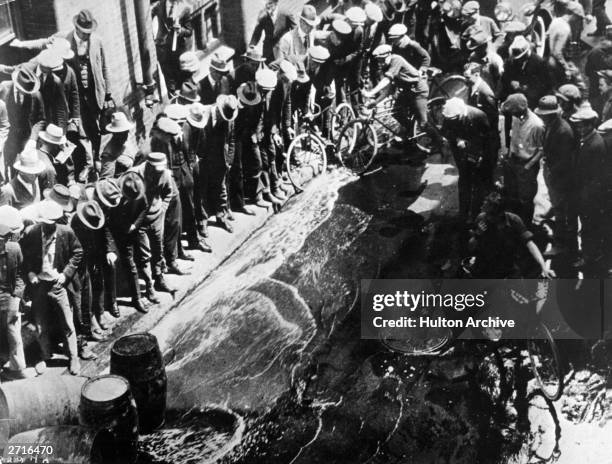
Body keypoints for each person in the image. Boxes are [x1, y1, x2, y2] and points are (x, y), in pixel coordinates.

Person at [21, 199, 83, 375]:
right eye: (45, 224)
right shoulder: (32, 233)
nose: (49, 227)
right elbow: (24, 256)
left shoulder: (66, 232)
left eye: (52, 224)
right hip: (39, 285)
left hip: (58, 285)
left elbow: (78, 252)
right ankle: (45, 354)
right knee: (40, 323)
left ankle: (74, 357)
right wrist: (31, 273)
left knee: (68, 323)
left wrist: (66, 274)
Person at [470, 191, 556, 279]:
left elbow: (530, 244)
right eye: (487, 214)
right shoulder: (481, 218)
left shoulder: (514, 220)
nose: (488, 218)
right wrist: (478, 234)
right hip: (485, 268)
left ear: (500, 215)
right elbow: (471, 246)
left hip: (507, 266)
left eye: (491, 216)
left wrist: (544, 267)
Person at [570, 105, 612, 277]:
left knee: (589, 227)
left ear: (589, 125)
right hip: (587, 194)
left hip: (590, 197)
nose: (578, 128)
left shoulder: (595, 145)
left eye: (581, 125)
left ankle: (589, 257)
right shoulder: (590, 140)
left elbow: (595, 178)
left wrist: (585, 198)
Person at [534, 95, 578, 256]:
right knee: (559, 210)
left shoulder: (563, 131)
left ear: (550, 114)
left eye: (543, 114)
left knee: (564, 213)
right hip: (555, 176)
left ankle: (565, 246)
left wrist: (552, 173)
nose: (541, 117)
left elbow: (566, 160)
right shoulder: (553, 125)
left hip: (562, 179)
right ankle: (562, 240)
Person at [130, 152, 175, 302]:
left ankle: (159, 278)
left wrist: (163, 208)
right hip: (140, 221)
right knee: (145, 255)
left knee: (158, 248)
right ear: (148, 165)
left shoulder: (165, 174)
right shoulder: (135, 174)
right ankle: (149, 286)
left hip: (157, 217)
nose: (159, 172)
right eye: (156, 169)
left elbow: (169, 193)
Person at [441, 97, 493, 222]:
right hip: (461, 154)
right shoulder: (450, 115)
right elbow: (445, 131)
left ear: (460, 114)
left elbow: (488, 139)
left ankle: (476, 214)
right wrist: (457, 139)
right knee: (464, 181)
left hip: (478, 154)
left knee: (478, 183)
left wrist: (482, 156)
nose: (450, 121)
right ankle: (463, 213)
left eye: (453, 119)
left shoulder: (478, 116)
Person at [0, 206, 35, 379]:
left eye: (3, 240)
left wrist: (16, 297)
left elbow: (21, 275)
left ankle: (18, 367)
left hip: (10, 297)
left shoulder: (14, 249)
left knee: (14, 332)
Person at [363, 44, 428, 133]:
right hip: (407, 91)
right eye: (379, 61)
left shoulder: (396, 59)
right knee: (397, 113)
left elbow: (386, 80)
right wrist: (376, 102)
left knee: (423, 123)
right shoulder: (386, 67)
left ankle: (440, 141)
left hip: (418, 91)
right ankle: (411, 133)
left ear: (389, 55)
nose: (381, 63)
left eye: (382, 60)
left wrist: (371, 93)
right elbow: (388, 90)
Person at [108, 172, 149, 314]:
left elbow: (144, 208)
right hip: (111, 234)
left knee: (130, 264)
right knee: (110, 267)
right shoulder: (111, 192)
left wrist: (134, 225)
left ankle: (136, 298)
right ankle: (112, 302)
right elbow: (106, 223)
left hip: (128, 232)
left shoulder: (139, 191)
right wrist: (109, 248)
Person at [501, 93, 545, 225]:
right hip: (513, 161)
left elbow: (542, 149)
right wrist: (508, 155)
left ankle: (525, 227)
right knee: (512, 196)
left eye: (513, 111)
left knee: (525, 200)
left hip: (527, 166)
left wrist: (528, 166)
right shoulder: (515, 117)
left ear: (521, 109)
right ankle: (513, 224)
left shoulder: (536, 125)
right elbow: (513, 136)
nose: (511, 114)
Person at [0, 67, 45, 179]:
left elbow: (41, 119)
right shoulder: (4, 87)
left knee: (22, 169)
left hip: (26, 138)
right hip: (7, 137)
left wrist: (33, 139)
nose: (24, 94)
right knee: (6, 167)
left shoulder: (36, 95)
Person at [202, 95, 239, 232]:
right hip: (205, 158)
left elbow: (232, 140)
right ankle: (203, 221)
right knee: (203, 191)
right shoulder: (205, 114)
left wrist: (229, 160)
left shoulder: (230, 119)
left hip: (220, 158)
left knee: (221, 189)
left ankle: (221, 216)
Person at [182, 103, 214, 251]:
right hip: (186, 166)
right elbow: (186, 150)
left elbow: (201, 144)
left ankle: (201, 222)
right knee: (190, 201)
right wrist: (191, 164)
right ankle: (193, 235)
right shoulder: (186, 128)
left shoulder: (199, 128)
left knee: (199, 195)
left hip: (195, 162)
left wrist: (197, 159)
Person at [154, 0, 194, 93]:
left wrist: (180, 30)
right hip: (163, 48)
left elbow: (189, 31)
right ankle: (172, 93)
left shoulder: (185, 8)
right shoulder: (160, 5)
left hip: (178, 50)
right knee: (168, 77)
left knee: (180, 77)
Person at [501, 35, 551, 109]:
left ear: (527, 53)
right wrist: (511, 82)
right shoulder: (511, 61)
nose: (518, 61)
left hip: (531, 99)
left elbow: (545, 86)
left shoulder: (539, 63)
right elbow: (505, 78)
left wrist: (524, 88)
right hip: (513, 97)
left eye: (520, 58)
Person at [464, 62, 500, 155]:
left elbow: (493, 117)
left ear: (476, 74)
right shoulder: (472, 85)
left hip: (486, 134)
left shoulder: (486, 92)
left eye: (467, 77)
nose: (465, 80)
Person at [0, 145, 45, 209]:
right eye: (31, 173)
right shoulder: (8, 190)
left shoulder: (33, 182)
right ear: (22, 172)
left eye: (37, 172)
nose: (36, 176)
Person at [99, 112, 136, 178]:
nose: (126, 134)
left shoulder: (127, 139)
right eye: (122, 133)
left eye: (126, 131)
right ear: (115, 134)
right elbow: (105, 180)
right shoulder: (109, 155)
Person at [585, 26, 612, 107]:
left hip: (594, 82)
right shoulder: (607, 53)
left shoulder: (594, 50)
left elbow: (587, 70)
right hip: (605, 85)